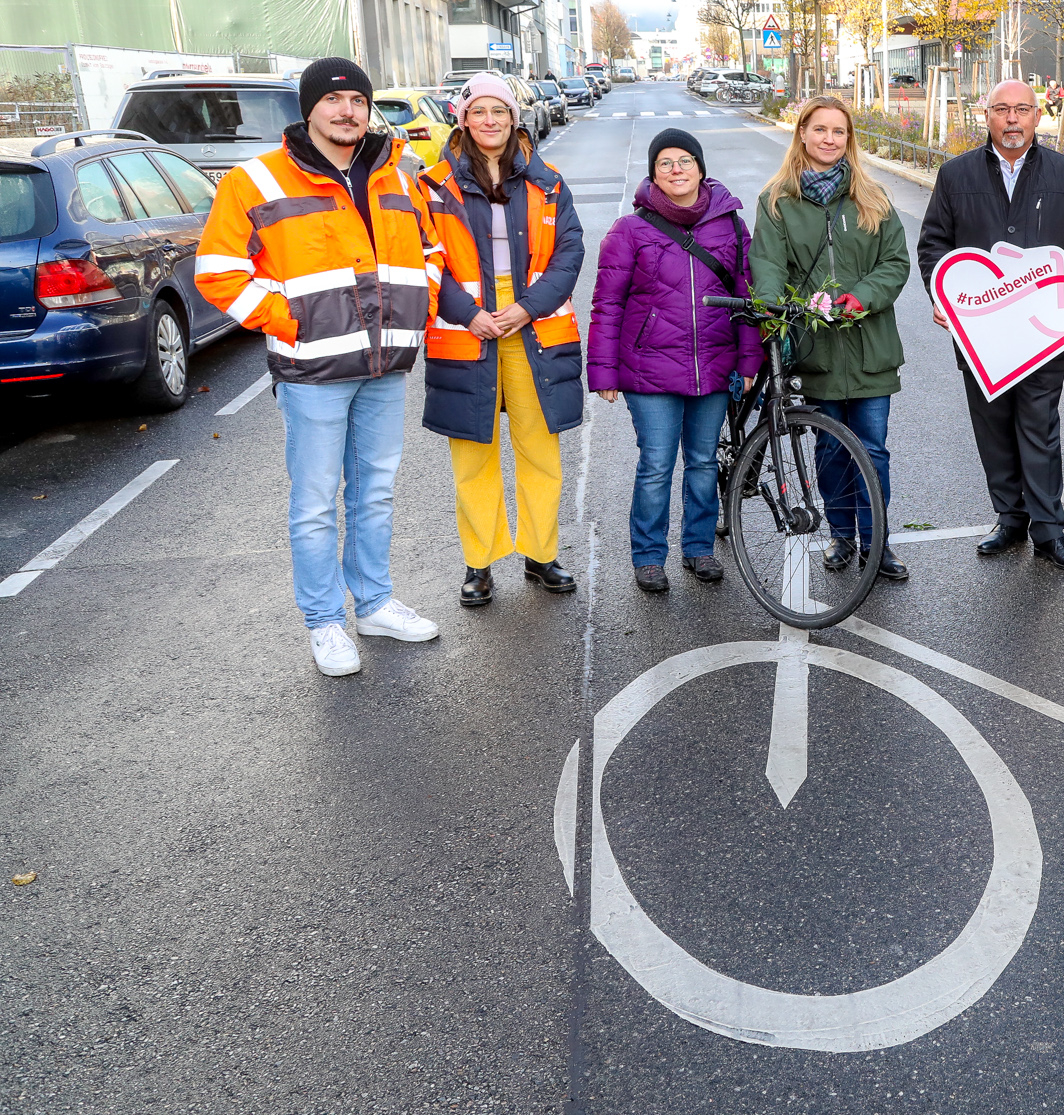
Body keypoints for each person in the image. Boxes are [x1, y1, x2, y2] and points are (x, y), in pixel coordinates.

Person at [194, 57, 439, 675]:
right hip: (312, 372)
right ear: (308, 109)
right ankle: (326, 622)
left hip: (385, 365)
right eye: (334, 101)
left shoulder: (398, 174)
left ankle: (376, 603)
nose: (347, 110)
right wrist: (289, 320)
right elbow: (218, 271)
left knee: (375, 494)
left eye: (357, 99)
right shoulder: (256, 181)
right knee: (314, 504)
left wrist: (423, 299)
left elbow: (432, 249)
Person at [917, 79, 1064, 572]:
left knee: (1039, 425)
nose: (1012, 119)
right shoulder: (956, 175)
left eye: (1022, 109)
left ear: (1037, 115)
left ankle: (1049, 530)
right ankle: (1010, 517)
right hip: (980, 332)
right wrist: (944, 295)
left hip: (1044, 329)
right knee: (993, 426)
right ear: (987, 116)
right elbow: (934, 244)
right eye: (1002, 109)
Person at [418, 73, 585, 608]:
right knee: (473, 454)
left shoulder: (549, 180)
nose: (490, 120)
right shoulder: (432, 184)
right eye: (479, 110)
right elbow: (423, 260)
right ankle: (480, 563)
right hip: (467, 331)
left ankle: (540, 554)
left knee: (540, 448)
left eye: (500, 110)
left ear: (515, 117)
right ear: (463, 118)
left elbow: (570, 252)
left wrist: (524, 307)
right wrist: (469, 314)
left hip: (531, 323)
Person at [589, 129, 762, 590]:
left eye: (685, 160)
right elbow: (607, 304)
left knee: (704, 461)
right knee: (657, 464)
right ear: (653, 174)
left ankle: (699, 548)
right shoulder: (629, 231)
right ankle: (648, 556)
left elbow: (746, 297)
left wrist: (749, 362)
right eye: (665, 163)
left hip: (714, 362)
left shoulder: (730, 225)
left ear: (701, 167)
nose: (676, 169)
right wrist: (603, 370)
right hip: (650, 370)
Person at [753, 97, 912, 579]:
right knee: (830, 448)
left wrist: (861, 295)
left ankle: (877, 543)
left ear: (849, 140)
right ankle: (842, 537)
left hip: (870, 349)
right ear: (801, 133)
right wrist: (775, 308)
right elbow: (767, 265)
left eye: (838, 131)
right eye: (819, 129)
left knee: (873, 449)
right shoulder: (777, 200)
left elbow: (896, 263)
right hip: (815, 348)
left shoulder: (874, 198)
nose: (828, 139)